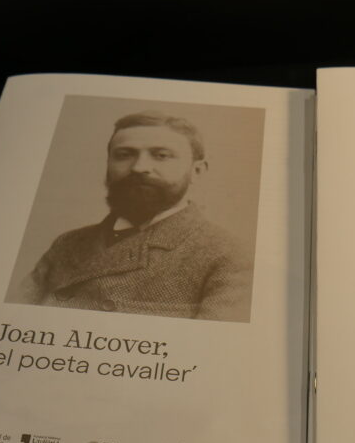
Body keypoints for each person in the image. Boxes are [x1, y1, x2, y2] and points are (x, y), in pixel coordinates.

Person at [15, 111, 252, 322]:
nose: (139, 167)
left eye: (161, 155)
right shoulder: (68, 244)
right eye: (124, 155)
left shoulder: (227, 255)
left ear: (196, 171)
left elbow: (208, 351)